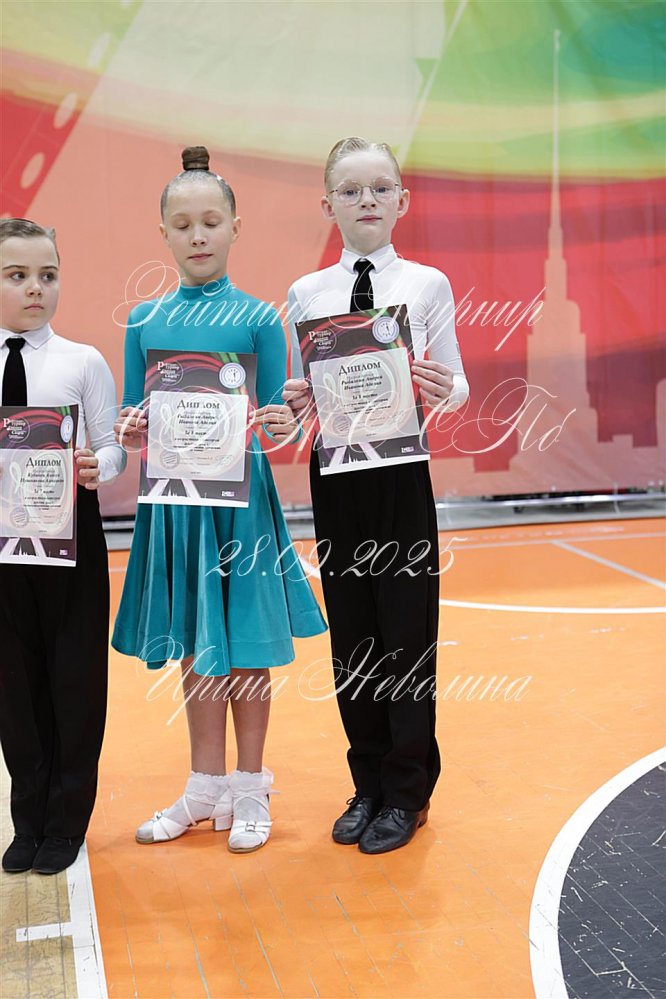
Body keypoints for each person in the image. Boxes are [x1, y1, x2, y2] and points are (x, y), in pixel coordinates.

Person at [112, 146, 326, 853]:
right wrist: (132, 428)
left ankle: (251, 784)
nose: (198, 236)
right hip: (175, 505)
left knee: (245, 637)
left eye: (211, 222)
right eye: (183, 225)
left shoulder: (261, 317)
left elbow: (276, 415)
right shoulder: (144, 320)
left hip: (242, 503)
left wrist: (281, 422)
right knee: (193, 637)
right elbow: (131, 414)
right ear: (163, 233)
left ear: (236, 226)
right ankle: (204, 786)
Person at [283, 136, 470, 854]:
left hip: (400, 478)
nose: (367, 200)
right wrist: (297, 400)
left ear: (402, 201)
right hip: (336, 476)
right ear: (327, 202)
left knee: (406, 633)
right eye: (351, 189)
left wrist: (443, 388)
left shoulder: (427, 284)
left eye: (380, 188)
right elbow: (305, 393)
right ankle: (366, 783)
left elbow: (457, 383)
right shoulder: (307, 294)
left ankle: (408, 789)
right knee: (353, 634)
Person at [0, 218, 126, 874]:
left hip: (71, 541)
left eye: (47, 275)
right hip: (3, 550)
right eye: (17, 275)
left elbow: (113, 447)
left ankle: (67, 819)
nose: (35, 288)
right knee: (13, 685)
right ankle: (28, 817)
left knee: (74, 679)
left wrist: (98, 466)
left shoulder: (82, 361)